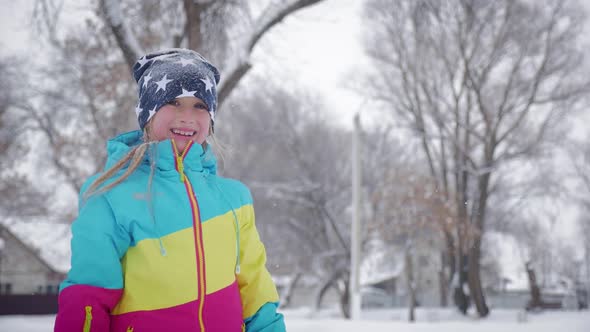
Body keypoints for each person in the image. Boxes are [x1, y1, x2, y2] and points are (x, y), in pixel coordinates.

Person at [54, 48, 285, 332]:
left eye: (200, 105)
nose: (187, 116)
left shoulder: (233, 199)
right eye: (174, 102)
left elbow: (256, 292)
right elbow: (88, 295)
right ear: (148, 113)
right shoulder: (110, 195)